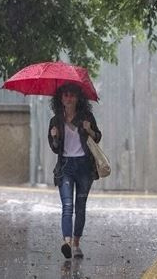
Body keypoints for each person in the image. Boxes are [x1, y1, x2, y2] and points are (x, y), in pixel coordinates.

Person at [48, 83, 101, 259]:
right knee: (67, 206)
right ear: (60, 98)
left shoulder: (86, 117)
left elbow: (97, 137)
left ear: (78, 98)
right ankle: (67, 242)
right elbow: (55, 148)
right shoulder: (55, 121)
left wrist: (89, 129)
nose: (68, 98)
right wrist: (55, 137)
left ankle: (76, 243)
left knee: (80, 207)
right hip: (65, 167)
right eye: (65, 95)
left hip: (84, 166)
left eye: (72, 95)